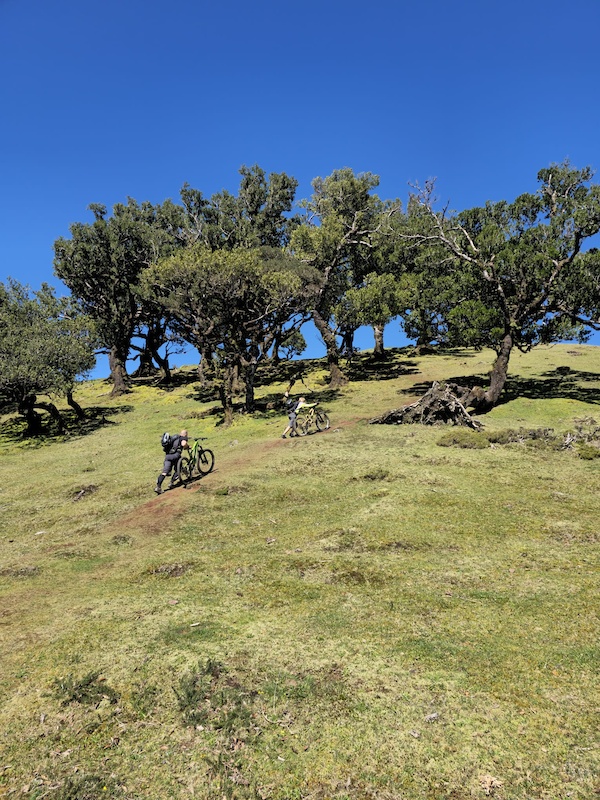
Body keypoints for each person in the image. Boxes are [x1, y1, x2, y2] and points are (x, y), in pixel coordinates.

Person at [154, 429, 189, 494]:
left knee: (164, 472)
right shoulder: (182, 438)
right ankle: (171, 483)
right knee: (178, 469)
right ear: (185, 434)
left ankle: (158, 487)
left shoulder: (173, 438)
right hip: (176, 456)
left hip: (168, 457)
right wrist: (187, 446)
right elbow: (184, 444)